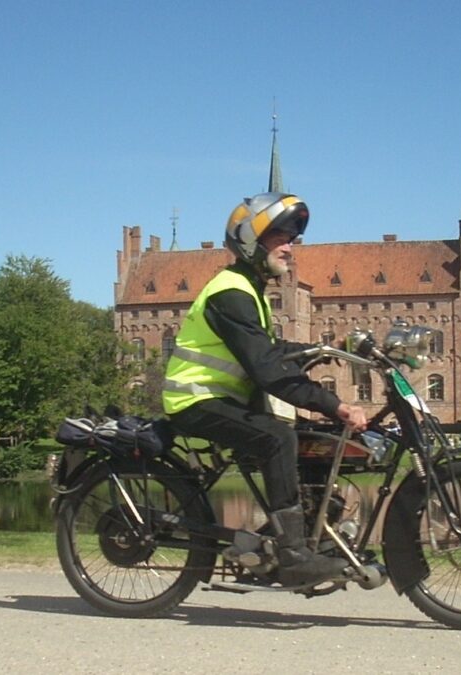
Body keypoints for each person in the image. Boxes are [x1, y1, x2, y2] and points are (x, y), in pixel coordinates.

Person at [163, 192, 368, 587]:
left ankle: (306, 532)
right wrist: (334, 404)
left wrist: (325, 350)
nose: (289, 248)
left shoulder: (248, 290)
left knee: (307, 439)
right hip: (195, 399)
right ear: (250, 241)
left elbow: (268, 349)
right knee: (277, 438)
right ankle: (292, 555)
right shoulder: (230, 293)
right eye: (279, 238)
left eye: (292, 239)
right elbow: (267, 369)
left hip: (224, 399)